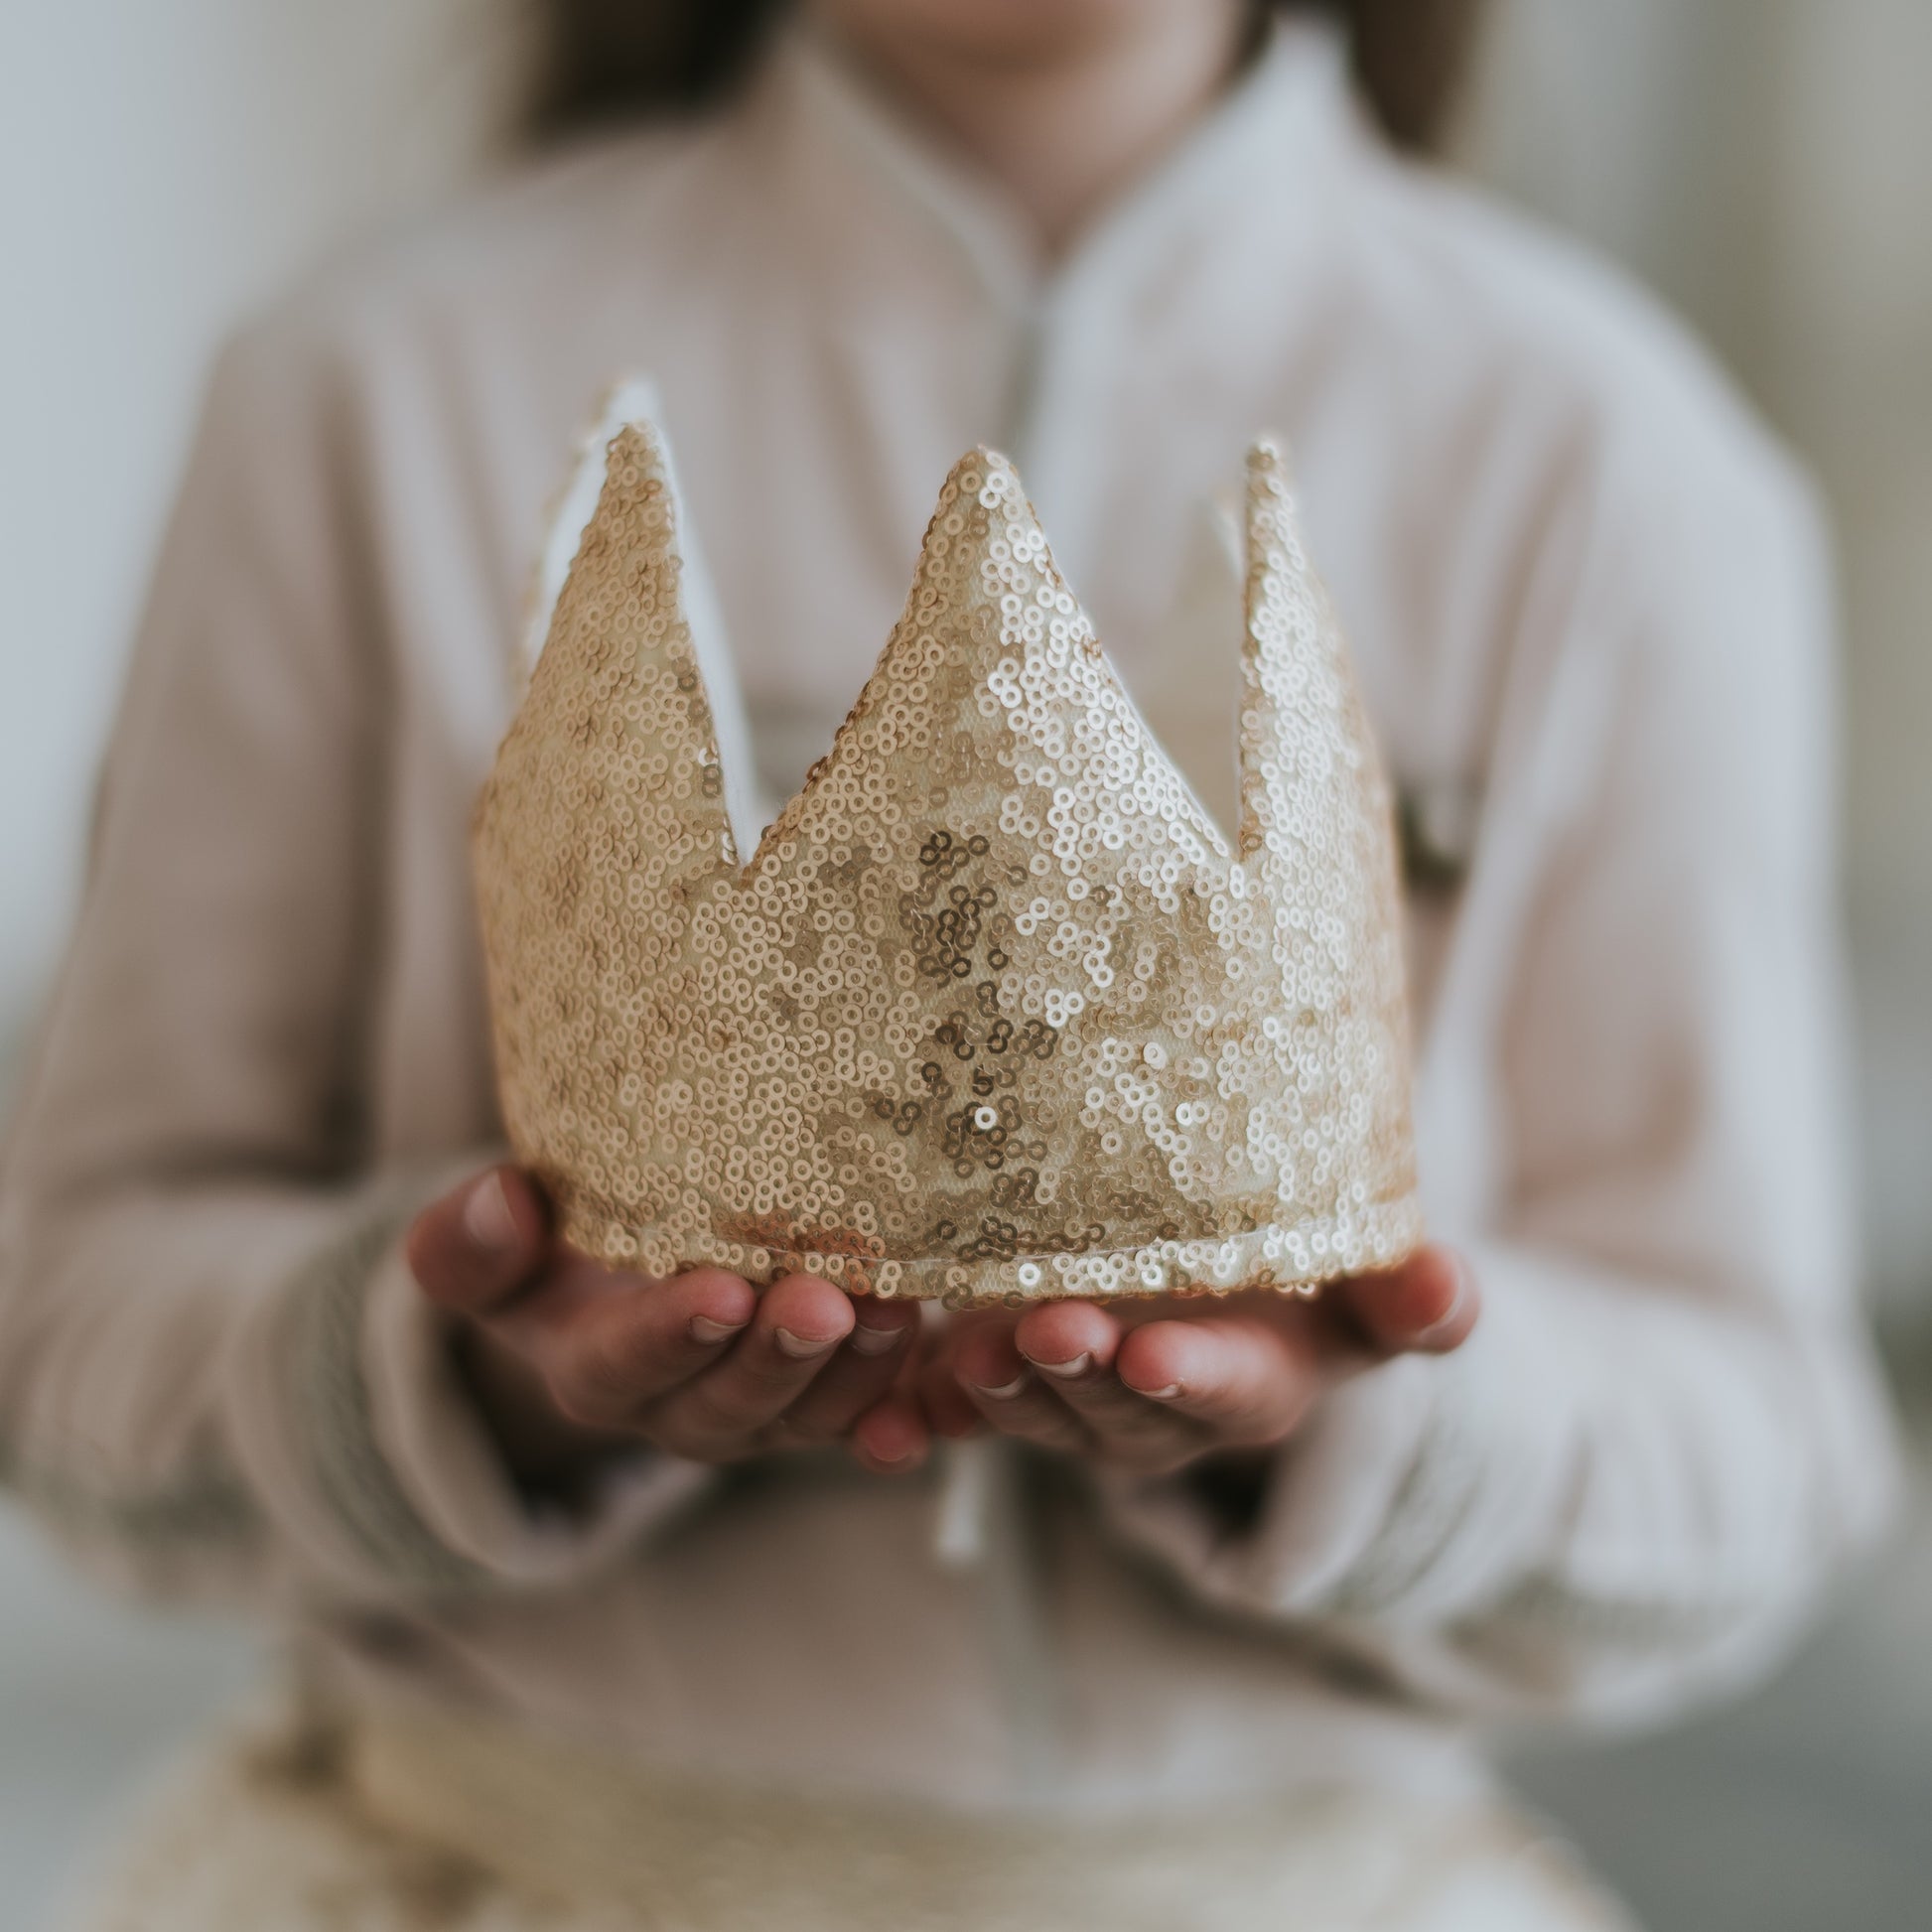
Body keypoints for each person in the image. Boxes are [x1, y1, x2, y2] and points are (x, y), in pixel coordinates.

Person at [0, 1, 1901, 1925]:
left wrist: (1345, 1422)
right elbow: (68, 1340)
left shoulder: (1602, 459)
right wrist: (480, 1387)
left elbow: (1757, 1467)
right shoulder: (366, 393)